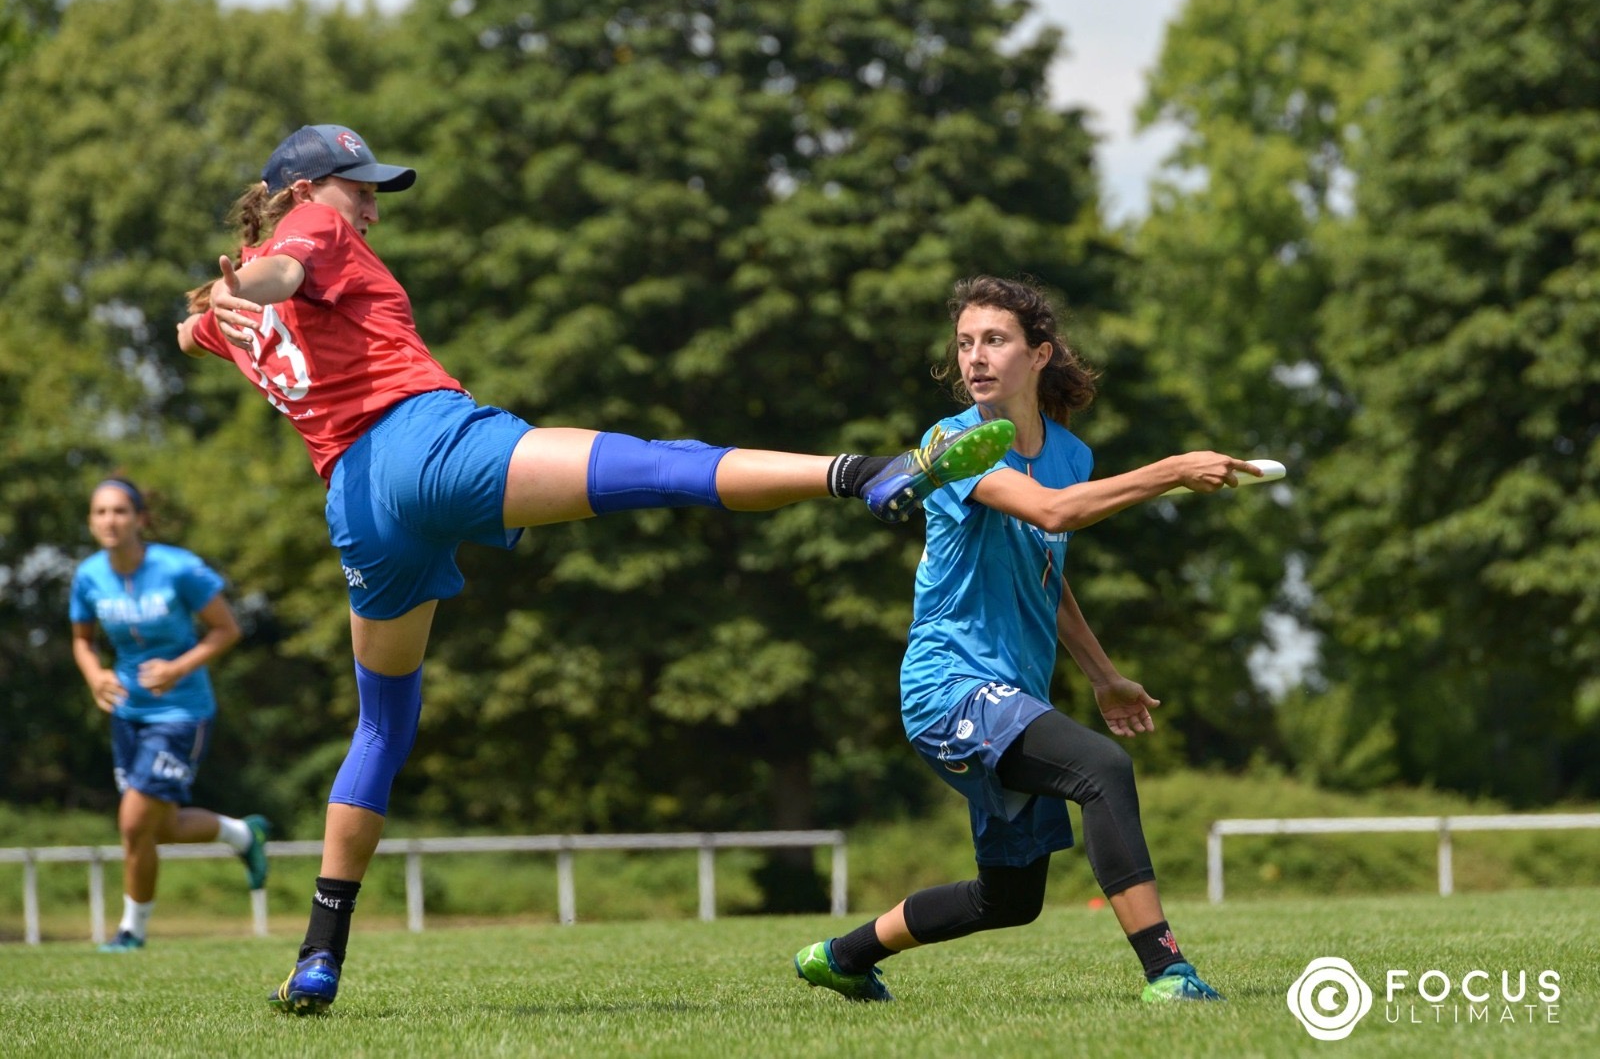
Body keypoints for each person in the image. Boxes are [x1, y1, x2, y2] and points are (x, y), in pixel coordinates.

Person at [176, 124, 1015, 1015]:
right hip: (427, 445)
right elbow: (286, 268)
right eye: (360, 186)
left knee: (381, 725)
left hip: (357, 503)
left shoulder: (243, 316)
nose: (373, 203)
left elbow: (200, 323)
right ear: (305, 193)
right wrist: (251, 276)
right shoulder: (316, 232)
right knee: (655, 467)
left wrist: (218, 297)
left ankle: (318, 955)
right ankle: (858, 474)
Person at [793, 275, 1260, 1004]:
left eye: (996, 341)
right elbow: (1052, 515)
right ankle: (1170, 973)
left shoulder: (1071, 454)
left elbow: (1047, 568)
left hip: (1009, 692)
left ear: (1039, 355)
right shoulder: (950, 443)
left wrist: (1103, 675)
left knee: (1009, 899)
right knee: (1103, 769)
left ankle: (841, 956)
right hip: (947, 686)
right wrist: (1171, 470)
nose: (975, 358)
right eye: (965, 343)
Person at [69, 478, 271, 953]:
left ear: (140, 519)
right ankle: (243, 833)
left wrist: (178, 667)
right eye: (100, 512)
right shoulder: (88, 576)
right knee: (159, 827)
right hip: (127, 712)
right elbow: (82, 640)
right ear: (91, 521)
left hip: (182, 712)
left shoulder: (179, 569)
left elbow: (227, 629)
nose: (109, 521)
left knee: (134, 822)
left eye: (119, 511)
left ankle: (130, 933)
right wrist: (94, 675)